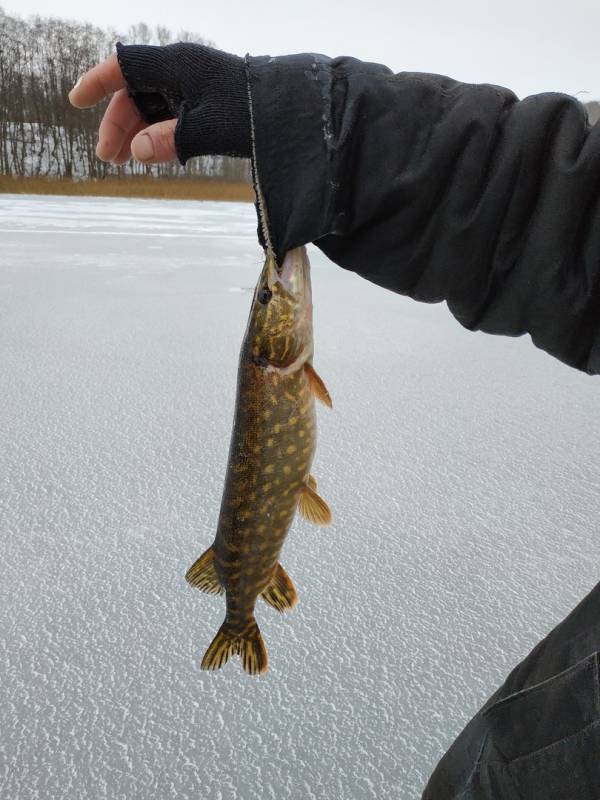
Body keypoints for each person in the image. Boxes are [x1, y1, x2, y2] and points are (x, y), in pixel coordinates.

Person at [70, 43, 600, 799]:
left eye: (269, 302)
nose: (276, 290)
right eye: (269, 302)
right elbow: (568, 216)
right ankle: (241, 600)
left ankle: (241, 599)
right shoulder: (286, 366)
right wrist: (321, 129)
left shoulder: (282, 360)